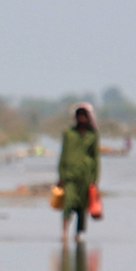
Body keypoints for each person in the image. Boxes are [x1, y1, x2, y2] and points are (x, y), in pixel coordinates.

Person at [57, 103, 100, 243]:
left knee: (82, 208)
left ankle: (77, 235)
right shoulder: (69, 134)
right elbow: (63, 154)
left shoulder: (92, 136)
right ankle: (64, 232)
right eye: (79, 116)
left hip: (85, 177)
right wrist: (60, 175)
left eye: (84, 116)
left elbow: (95, 158)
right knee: (68, 204)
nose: (81, 119)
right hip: (69, 176)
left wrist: (95, 179)